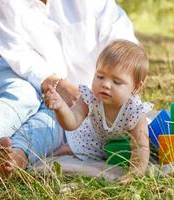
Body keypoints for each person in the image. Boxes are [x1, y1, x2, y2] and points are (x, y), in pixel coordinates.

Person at [0, 0, 138, 188]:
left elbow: (123, 44)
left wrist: (110, 88)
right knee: (22, 98)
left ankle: (15, 157)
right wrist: (56, 84)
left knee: (54, 119)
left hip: (76, 97)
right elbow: (19, 53)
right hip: (19, 75)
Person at [44, 39, 152, 180]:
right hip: (92, 139)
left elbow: (141, 147)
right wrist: (60, 107)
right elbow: (72, 122)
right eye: (100, 76)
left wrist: (134, 173)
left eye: (116, 82)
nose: (106, 84)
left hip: (120, 147)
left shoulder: (135, 111)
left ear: (136, 87)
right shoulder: (91, 98)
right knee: (64, 150)